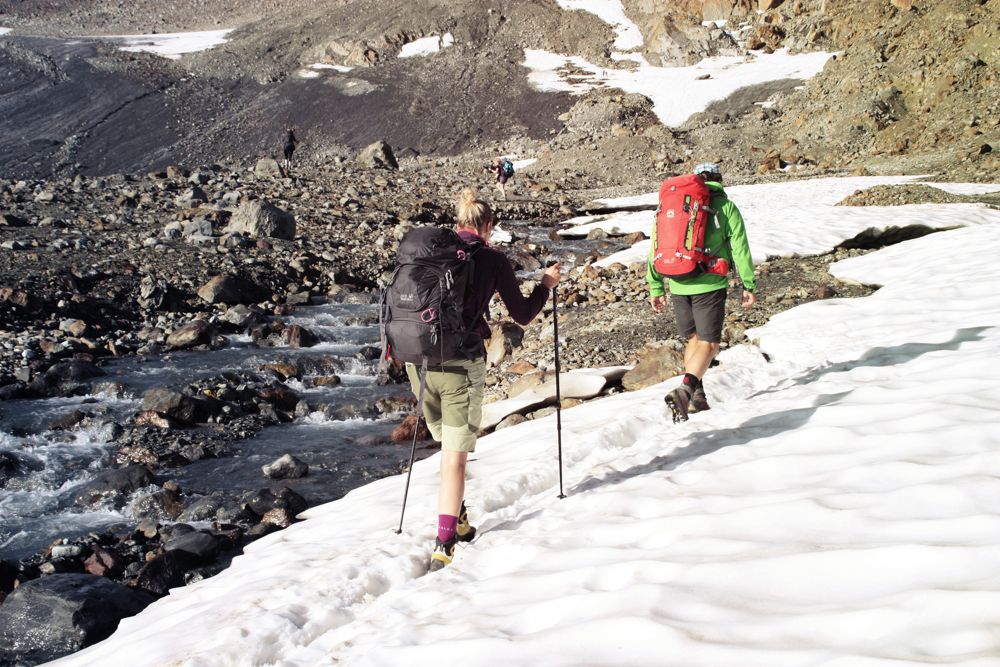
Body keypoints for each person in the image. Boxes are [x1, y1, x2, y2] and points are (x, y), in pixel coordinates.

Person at [406, 189, 560, 571]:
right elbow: (522, 314)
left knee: (444, 444)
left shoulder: (428, 252)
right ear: (488, 226)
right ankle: (445, 541)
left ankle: (456, 517)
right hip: (461, 364)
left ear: (457, 224)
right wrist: (545, 285)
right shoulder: (492, 259)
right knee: (454, 458)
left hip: (417, 362)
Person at [647, 162, 757, 423]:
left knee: (694, 340)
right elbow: (740, 248)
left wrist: (655, 286)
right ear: (719, 180)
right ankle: (685, 391)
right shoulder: (725, 207)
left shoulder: (673, 205)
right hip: (709, 282)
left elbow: (655, 247)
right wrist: (748, 284)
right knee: (709, 343)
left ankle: (698, 398)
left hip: (676, 280)